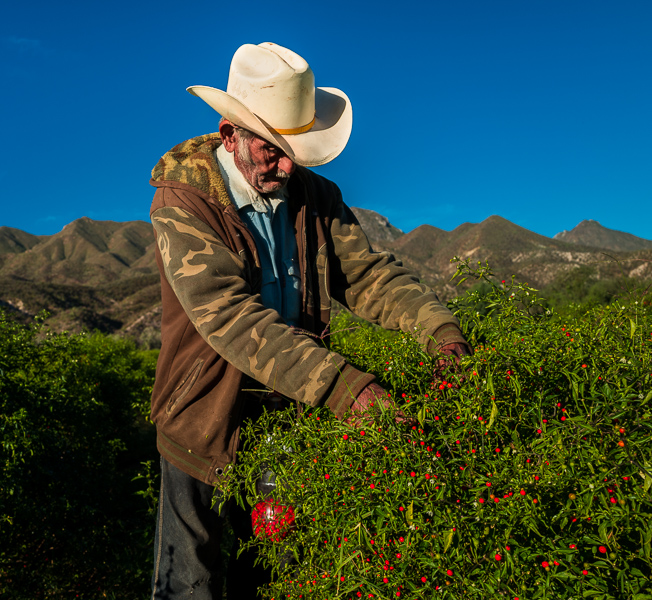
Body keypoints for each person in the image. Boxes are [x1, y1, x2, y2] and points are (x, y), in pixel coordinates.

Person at [148, 42, 471, 600]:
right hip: (201, 415)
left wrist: (442, 333)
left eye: (292, 149)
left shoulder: (314, 196)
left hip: (289, 417)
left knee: (279, 571)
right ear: (230, 136)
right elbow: (230, 317)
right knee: (190, 582)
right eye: (272, 149)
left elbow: (369, 276)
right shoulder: (185, 203)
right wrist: (351, 390)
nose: (288, 164)